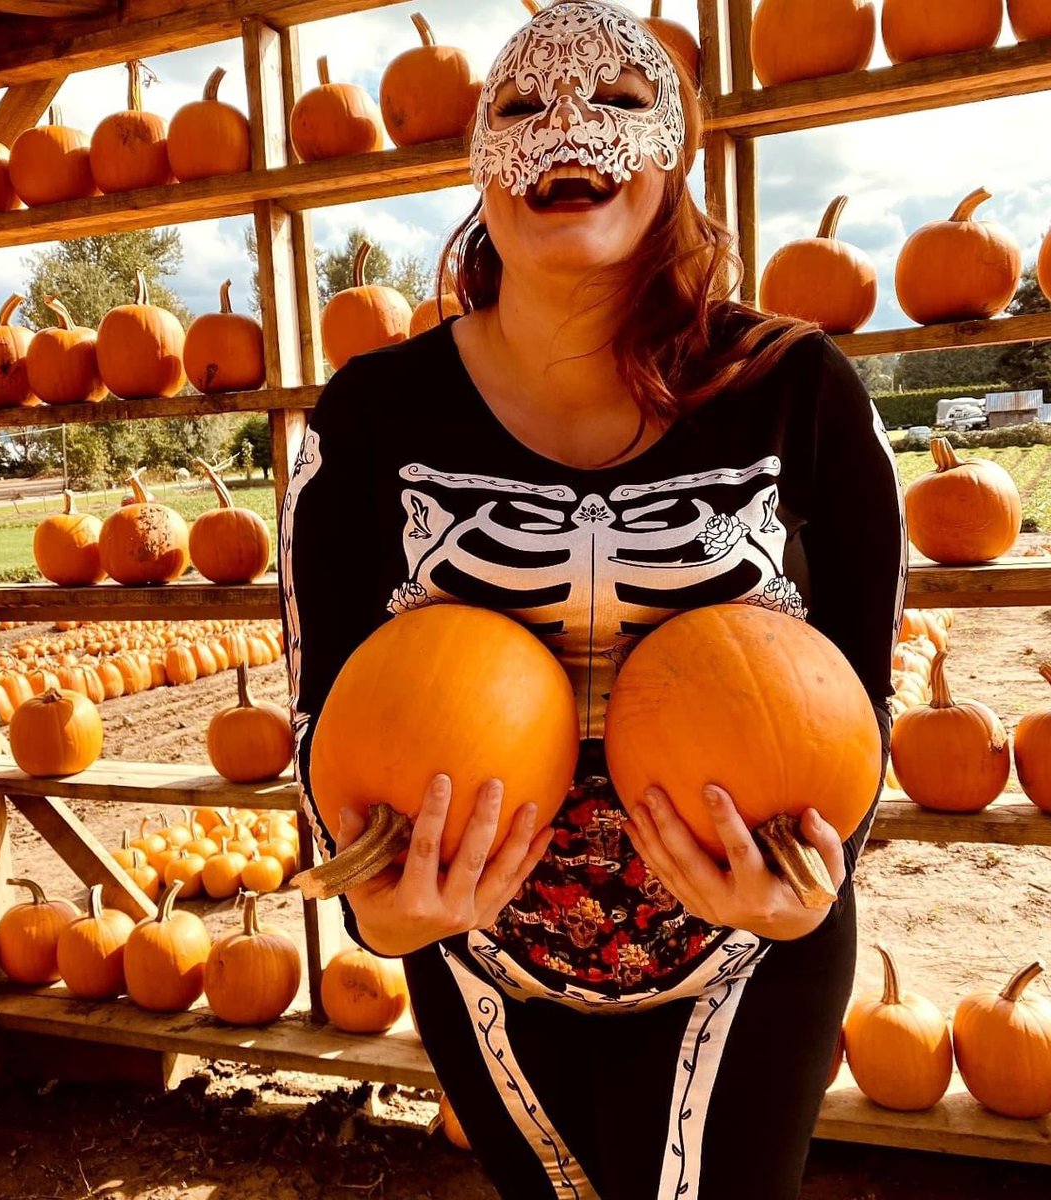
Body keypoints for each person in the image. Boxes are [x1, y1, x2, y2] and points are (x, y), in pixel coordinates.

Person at [279, 3, 907, 1197]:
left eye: (620, 104)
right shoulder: (370, 416)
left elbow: (859, 703)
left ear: (673, 152)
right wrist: (379, 918)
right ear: (479, 160)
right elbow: (323, 709)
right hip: (474, 956)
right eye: (522, 107)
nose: (570, 133)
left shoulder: (802, 390)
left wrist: (808, 890)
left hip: (753, 949)